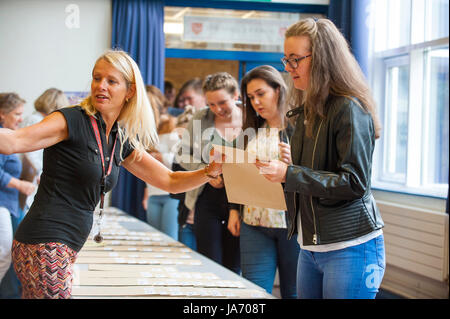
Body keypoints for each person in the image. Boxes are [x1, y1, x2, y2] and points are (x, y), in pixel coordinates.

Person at [0, 50, 223, 299]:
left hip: (64, 246)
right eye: (97, 78)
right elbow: (12, 141)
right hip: (44, 243)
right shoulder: (69, 120)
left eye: (111, 81)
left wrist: (208, 172)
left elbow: (169, 181)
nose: (101, 86)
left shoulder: (119, 138)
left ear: (130, 91)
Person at [255, 18, 385, 299]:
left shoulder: (349, 108)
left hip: (351, 246)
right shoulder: (305, 112)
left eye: (295, 60)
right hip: (310, 246)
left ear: (323, 58)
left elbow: (353, 183)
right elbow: (309, 177)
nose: (288, 69)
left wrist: (289, 174)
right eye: (286, 60)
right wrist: (282, 171)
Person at [227, 65, 300, 298]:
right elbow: (238, 174)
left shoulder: (300, 128)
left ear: (278, 91)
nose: (256, 102)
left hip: (292, 225)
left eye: (261, 94)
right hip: (253, 222)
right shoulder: (250, 130)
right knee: (254, 293)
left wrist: (294, 163)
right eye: (250, 97)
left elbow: (314, 174)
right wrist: (233, 210)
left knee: (294, 292)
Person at [177, 72, 241, 274]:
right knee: (209, 264)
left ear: (236, 96)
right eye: (211, 104)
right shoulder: (200, 117)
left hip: (240, 200)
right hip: (206, 197)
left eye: (222, 102)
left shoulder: (252, 120)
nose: (216, 109)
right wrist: (206, 172)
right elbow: (182, 154)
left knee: (234, 266)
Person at [0, 93, 35, 284]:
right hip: (1, 205)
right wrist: (20, 184)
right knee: (4, 255)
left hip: (9, 205)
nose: (21, 119)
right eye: (17, 114)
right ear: (2, 114)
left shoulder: (8, 136)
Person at [19, 88, 70, 212]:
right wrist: (41, 172)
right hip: (30, 177)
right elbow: (31, 153)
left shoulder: (33, 119)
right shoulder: (36, 121)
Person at [142, 114, 180, 240]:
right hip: (153, 194)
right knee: (154, 236)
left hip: (170, 195)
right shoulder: (148, 136)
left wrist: (158, 157)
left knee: (169, 237)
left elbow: (178, 160)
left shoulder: (172, 135)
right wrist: (146, 195)